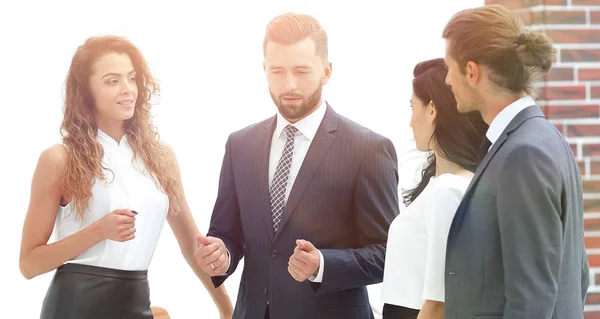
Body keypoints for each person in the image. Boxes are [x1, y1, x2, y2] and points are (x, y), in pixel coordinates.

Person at [194, 13, 399, 319]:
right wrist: (220, 255)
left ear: (326, 71)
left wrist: (324, 266)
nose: (289, 84)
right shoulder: (240, 145)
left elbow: (388, 254)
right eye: (277, 71)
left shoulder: (368, 149)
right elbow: (227, 233)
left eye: (302, 71)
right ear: (264, 70)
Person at [18, 35, 233, 319]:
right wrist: (98, 231)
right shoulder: (60, 159)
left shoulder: (160, 158)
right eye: (112, 81)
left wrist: (228, 310)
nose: (127, 89)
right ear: (86, 91)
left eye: (131, 78)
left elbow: (193, 247)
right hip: (74, 308)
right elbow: (29, 264)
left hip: (136, 303)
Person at [441, 4, 589, 318]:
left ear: (471, 71)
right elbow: (578, 274)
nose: (446, 81)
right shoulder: (542, 139)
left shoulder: (524, 154)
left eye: (449, 68)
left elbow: (532, 298)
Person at [380, 59, 488, 319]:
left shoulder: (448, 191)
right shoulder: (444, 185)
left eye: (412, 107)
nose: (409, 122)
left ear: (432, 110)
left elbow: (441, 300)